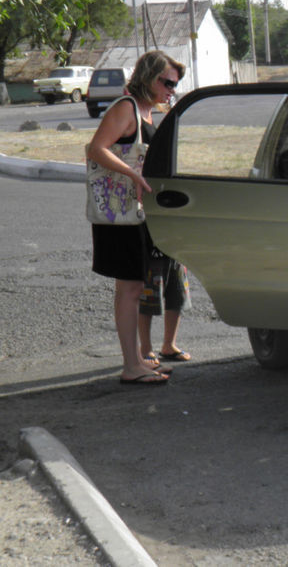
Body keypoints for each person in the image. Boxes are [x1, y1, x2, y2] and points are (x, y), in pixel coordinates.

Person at [87, 50, 185, 385]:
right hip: (120, 213)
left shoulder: (146, 110)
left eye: (176, 83)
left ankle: (138, 360)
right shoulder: (126, 107)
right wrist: (132, 174)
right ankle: (131, 365)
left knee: (132, 287)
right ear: (150, 77)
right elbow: (96, 148)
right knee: (128, 289)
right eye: (168, 82)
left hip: (136, 212)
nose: (172, 88)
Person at [138, 246, 192, 367]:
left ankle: (169, 345)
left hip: (176, 250)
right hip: (152, 252)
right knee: (148, 299)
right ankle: (145, 349)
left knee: (177, 296)